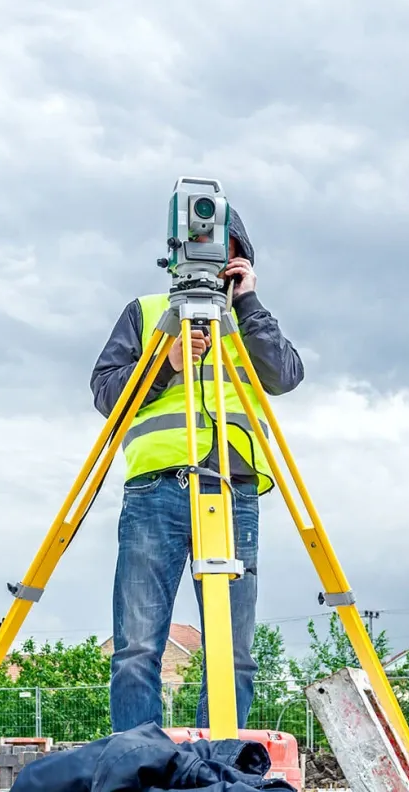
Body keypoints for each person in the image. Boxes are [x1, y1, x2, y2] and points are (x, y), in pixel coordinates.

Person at [90, 205, 304, 733]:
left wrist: (247, 300)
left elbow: (285, 375)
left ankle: (219, 764)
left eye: (225, 246)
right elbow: (105, 394)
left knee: (233, 651)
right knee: (138, 646)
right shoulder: (146, 313)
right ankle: (140, 766)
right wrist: (166, 363)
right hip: (155, 493)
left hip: (233, 492)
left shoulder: (247, 322)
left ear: (240, 256)